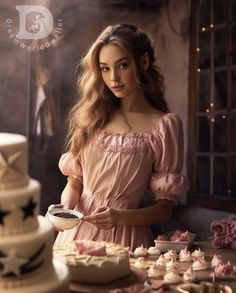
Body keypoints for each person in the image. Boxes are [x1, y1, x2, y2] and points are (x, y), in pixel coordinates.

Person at [50, 23, 189, 251]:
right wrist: (66, 206)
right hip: (75, 234)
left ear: (143, 63)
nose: (113, 77)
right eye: (105, 68)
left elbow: (165, 208)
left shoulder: (164, 126)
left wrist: (120, 217)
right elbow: (75, 180)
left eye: (122, 65)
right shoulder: (94, 116)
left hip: (126, 240)